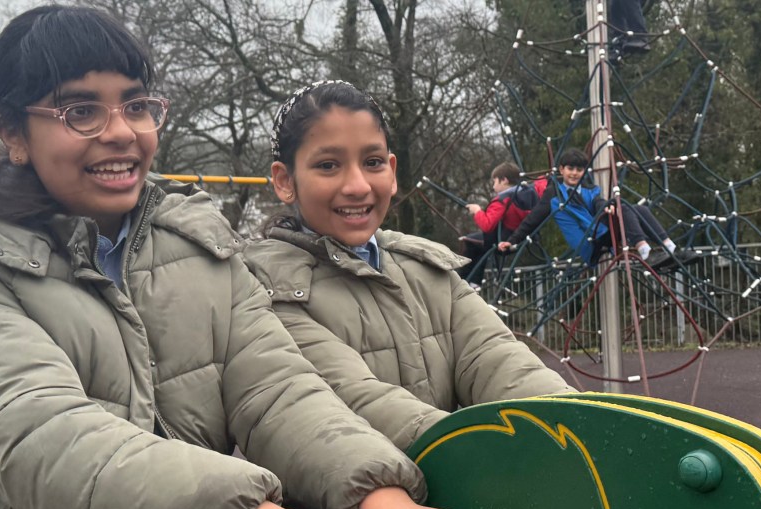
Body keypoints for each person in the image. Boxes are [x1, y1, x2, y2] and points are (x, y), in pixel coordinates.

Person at [0, 8, 467, 509]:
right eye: (80, 111)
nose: (121, 133)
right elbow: (43, 438)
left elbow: (278, 390)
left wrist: (380, 497)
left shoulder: (198, 248)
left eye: (136, 106)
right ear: (13, 133)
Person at [242, 80, 574, 452]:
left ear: (393, 170)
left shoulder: (427, 271)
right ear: (285, 181)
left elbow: (497, 360)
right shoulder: (267, 292)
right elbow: (355, 400)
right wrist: (483, 456)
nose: (358, 185)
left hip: (453, 492)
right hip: (349, 506)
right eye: (328, 165)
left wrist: (575, 424)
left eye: (372, 162)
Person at [497, 147, 690, 269]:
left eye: (579, 170)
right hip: (590, 242)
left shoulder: (589, 188)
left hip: (602, 233)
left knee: (638, 209)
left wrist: (606, 207)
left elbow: (598, 202)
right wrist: (512, 240)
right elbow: (533, 219)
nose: (574, 173)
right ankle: (644, 250)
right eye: (570, 169)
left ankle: (669, 246)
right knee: (622, 206)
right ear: (562, 169)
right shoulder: (554, 194)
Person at [457, 162, 545, 287]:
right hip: (524, 239)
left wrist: (477, 211)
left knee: (470, 241)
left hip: (503, 241)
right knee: (478, 242)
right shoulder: (531, 191)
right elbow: (543, 182)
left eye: (495, 182)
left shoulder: (503, 199)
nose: (493, 187)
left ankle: (466, 283)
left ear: (504, 180)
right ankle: (473, 282)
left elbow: (487, 225)